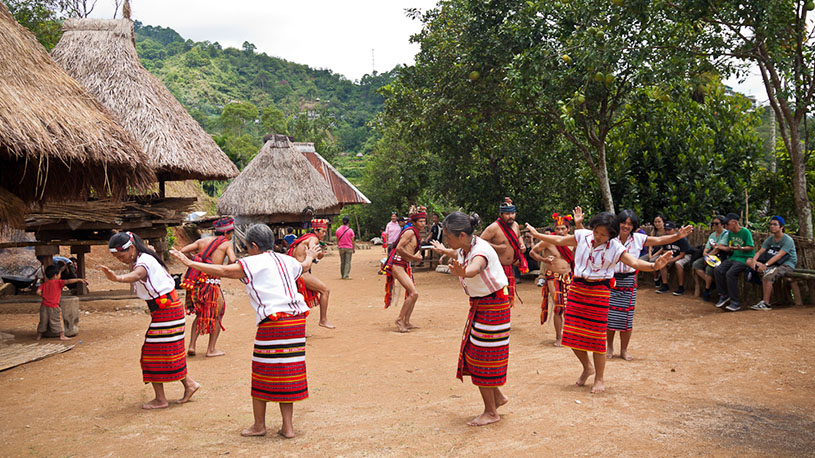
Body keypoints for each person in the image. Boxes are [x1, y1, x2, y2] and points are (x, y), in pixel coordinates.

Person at [170, 224, 320, 438]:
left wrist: (189, 262)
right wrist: (311, 255)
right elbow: (304, 266)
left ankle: (259, 426)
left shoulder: (251, 262)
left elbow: (223, 270)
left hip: (274, 323)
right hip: (296, 322)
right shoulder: (287, 260)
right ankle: (288, 427)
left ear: (254, 245)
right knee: (288, 373)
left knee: (262, 373)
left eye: (248, 247)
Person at [526, 213, 672, 393]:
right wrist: (537, 234)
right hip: (577, 288)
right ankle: (587, 367)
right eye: (596, 231)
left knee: (597, 338)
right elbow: (558, 240)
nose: (597, 236)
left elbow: (634, 262)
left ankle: (599, 378)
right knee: (570, 335)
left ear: (611, 235)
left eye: (603, 234)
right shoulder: (583, 236)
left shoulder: (616, 248)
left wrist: (653, 267)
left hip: (600, 292)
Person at [100, 231, 199, 410]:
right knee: (168, 351)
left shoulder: (143, 262)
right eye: (116, 257)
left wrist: (118, 278)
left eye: (121, 255)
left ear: (131, 248)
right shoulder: (144, 256)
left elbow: (138, 275)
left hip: (166, 310)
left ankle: (161, 399)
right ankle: (189, 384)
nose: (119, 259)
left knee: (151, 354)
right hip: (167, 309)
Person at [429, 212, 510, 426]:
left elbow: (476, 267)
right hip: (485, 306)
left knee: (483, 358)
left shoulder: (480, 251)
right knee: (477, 354)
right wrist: (445, 251)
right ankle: (498, 398)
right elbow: (458, 253)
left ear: (462, 235)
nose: (447, 240)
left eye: (449, 237)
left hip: (492, 308)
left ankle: (491, 412)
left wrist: (465, 272)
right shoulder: (468, 246)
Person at [608, 210, 692, 360]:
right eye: (623, 222)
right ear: (617, 222)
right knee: (610, 317)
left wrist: (677, 236)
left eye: (630, 224)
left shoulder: (639, 238)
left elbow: (659, 241)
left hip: (628, 281)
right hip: (611, 280)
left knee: (627, 318)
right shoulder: (610, 237)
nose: (626, 226)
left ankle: (624, 350)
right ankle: (609, 348)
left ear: (634, 226)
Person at [178, 216, 236, 357]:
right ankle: (211, 349)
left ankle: (192, 346)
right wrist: (222, 270)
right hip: (213, 284)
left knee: (199, 314)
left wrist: (197, 261)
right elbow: (233, 260)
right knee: (217, 316)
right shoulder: (226, 244)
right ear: (227, 233)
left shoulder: (201, 241)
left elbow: (183, 251)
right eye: (231, 232)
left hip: (198, 284)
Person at [529, 212, 577, 346]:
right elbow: (532, 252)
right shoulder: (547, 241)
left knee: (570, 307)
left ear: (568, 229)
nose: (560, 231)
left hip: (568, 276)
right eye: (557, 228)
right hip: (553, 277)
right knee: (559, 305)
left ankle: (569, 335)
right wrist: (543, 259)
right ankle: (558, 337)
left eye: (563, 228)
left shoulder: (573, 240)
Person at [383, 207, 427, 332]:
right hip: (397, 265)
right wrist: (414, 257)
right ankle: (399, 319)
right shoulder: (410, 232)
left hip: (404, 265)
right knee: (414, 293)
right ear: (414, 222)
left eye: (424, 221)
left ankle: (406, 321)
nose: (423, 224)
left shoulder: (415, 233)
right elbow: (398, 248)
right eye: (421, 221)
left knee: (413, 294)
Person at [479, 197, 527, 306]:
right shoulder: (494, 227)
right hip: (497, 268)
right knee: (498, 297)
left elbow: (518, 236)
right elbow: (480, 241)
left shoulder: (515, 225)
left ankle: (504, 318)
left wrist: (522, 244)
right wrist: (496, 247)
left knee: (508, 298)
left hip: (509, 267)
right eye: (507, 214)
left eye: (513, 213)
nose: (511, 216)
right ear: (501, 215)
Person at [288, 219, 334, 329]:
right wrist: (317, 249)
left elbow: (316, 256)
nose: (324, 234)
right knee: (325, 290)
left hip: (295, 273)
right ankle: (323, 320)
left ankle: (298, 328)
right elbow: (313, 247)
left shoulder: (305, 238)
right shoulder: (313, 238)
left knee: (300, 301)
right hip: (302, 273)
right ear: (316, 231)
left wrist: (320, 254)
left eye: (324, 231)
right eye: (322, 231)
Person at [747, 216, 798, 310]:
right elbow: (759, 252)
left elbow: (779, 255)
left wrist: (765, 265)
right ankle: (763, 300)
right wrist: (754, 262)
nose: (772, 226)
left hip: (786, 264)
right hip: (774, 263)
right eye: (771, 224)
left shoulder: (787, 240)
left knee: (768, 275)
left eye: (775, 224)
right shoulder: (770, 239)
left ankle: (766, 303)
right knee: (749, 261)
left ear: (781, 227)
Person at [714, 213, 755, 312]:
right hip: (734, 257)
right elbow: (730, 248)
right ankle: (723, 295)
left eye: (727, 224)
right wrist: (720, 247)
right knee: (718, 270)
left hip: (744, 258)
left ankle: (735, 302)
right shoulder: (730, 233)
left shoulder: (745, 232)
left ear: (734, 222)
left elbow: (751, 247)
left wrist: (742, 248)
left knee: (730, 273)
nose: (725, 227)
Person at [36, 265, 84, 341]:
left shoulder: (44, 284)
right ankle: (62, 335)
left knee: (43, 321)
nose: (60, 276)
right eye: (59, 274)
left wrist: (43, 296)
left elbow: (38, 292)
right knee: (58, 321)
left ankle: (39, 336)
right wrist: (78, 279)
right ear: (55, 275)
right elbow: (68, 281)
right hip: (54, 306)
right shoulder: (58, 282)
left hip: (44, 306)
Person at [692, 215, 728, 301]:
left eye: (716, 224)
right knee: (696, 264)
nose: (714, 226)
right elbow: (707, 247)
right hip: (710, 256)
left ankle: (707, 290)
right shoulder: (712, 235)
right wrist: (705, 254)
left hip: (720, 257)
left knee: (709, 269)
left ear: (722, 224)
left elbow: (718, 248)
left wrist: (707, 257)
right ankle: (711, 283)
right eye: (713, 224)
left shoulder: (726, 234)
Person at [654, 221, 692, 296]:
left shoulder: (681, 238)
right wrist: (666, 260)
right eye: (666, 230)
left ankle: (681, 287)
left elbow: (682, 255)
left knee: (678, 264)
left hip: (685, 255)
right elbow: (665, 251)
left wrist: (671, 260)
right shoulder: (666, 239)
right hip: (673, 255)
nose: (667, 232)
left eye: (669, 230)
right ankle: (665, 285)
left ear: (674, 230)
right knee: (662, 262)